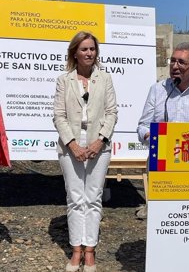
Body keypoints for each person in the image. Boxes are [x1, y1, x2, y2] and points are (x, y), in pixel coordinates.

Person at [53, 31, 118, 272]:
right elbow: (59, 116)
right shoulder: (64, 80)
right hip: (70, 148)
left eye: (92, 49)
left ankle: (89, 250)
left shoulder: (105, 79)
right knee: (75, 198)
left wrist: (99, 141)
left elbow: (112, 112)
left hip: (98, 149)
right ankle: (76, 248)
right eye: (84, 49)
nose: (89, 53)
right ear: (75, 53)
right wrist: (72, 145)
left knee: (93, 198)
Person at [136, 42, 189, 218]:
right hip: (161, 162)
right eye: (172, 61)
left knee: (188, 216)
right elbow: (142, 126)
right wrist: (149, 135)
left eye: (181, 62)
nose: (174, 66)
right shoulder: (158, 90)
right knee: (160, 217)